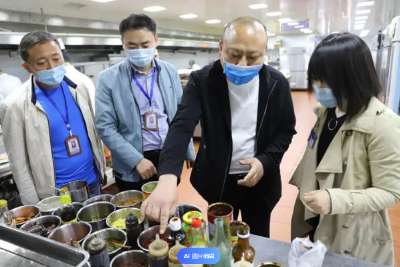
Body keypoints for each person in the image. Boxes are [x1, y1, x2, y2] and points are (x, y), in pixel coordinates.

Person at [141, 17, 296, 237]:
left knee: (259, 240)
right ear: (221, 48)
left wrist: (266, 161)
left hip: (260, 182)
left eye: (253, 57)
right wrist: (167, 178)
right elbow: (181, 127)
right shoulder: (202, 81)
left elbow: (286, 129)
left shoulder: (276, 83)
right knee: (220, 239)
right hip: (219, 181)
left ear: (264, 52)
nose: (242, 64)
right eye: (234, 55)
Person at [290, 33, 400, 266]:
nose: (319, 87)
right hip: (315, 218)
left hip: (350, 230)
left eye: (326, 81)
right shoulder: (326, 112)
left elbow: (390, 192)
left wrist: (335, 199)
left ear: (353, 77)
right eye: (316, 79)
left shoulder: (383, 124)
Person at [0, 31, 105, 205]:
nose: (52, 67)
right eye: (42, 63)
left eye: (56, 59)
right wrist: (35, 206)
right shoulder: (15, 105)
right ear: (28, 67)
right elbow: (19, 164)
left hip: (91, 181)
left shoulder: (80, 87)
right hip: (56, 194)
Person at [96, 14, 195, 192]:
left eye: (145, 45)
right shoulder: (108, 79)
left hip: (169, 154)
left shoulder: (169, 71)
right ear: (122, 43)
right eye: (132, 46)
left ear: (156, 40)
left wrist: (187, 149)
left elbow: (181, 115)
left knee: (167, 209)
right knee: (136, 213)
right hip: (133, 162)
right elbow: (105, 126)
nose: (139, 50)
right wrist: (136, 160)